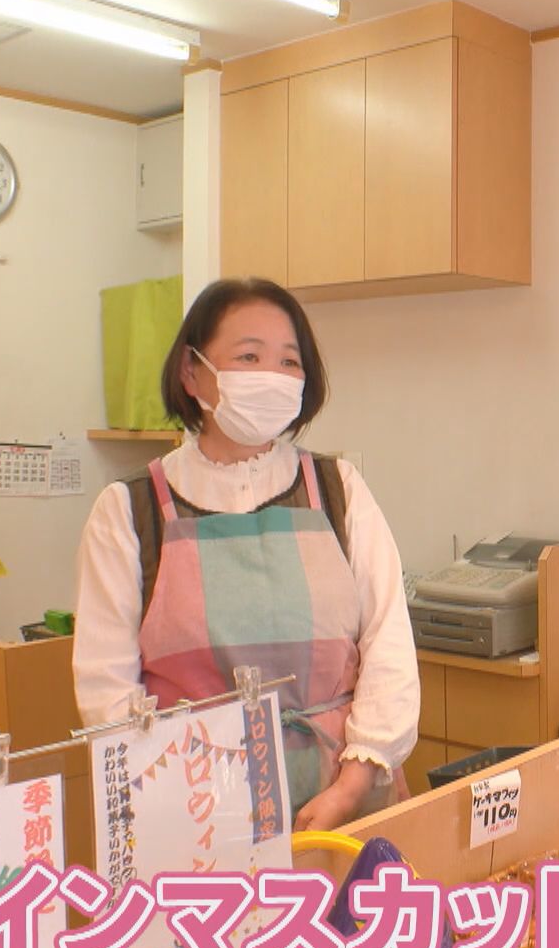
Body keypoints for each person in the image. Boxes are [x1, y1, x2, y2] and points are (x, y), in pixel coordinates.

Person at [72, 277, 418, 832]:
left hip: (343, 798)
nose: (272, 376)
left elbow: (389, 643)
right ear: (191, 372)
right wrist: (181, 797)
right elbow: (106, 688)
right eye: (249, 357)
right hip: (197, 811)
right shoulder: (129, 510)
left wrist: (352, 785)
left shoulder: (339, 488)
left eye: (289, 361)